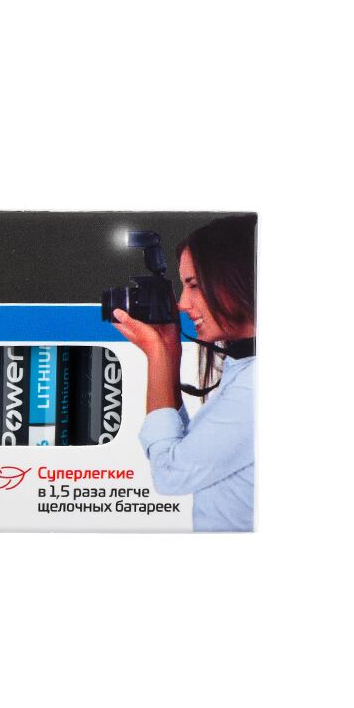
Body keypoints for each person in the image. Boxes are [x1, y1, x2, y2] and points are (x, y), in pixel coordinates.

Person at [112, 215, 256, 530]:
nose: (182, 304)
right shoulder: (244, 368)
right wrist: (167, 351)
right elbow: (193, 452)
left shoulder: (253, 387)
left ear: (240, 278)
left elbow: (171, 473)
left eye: (193, 285)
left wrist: (158, 354)